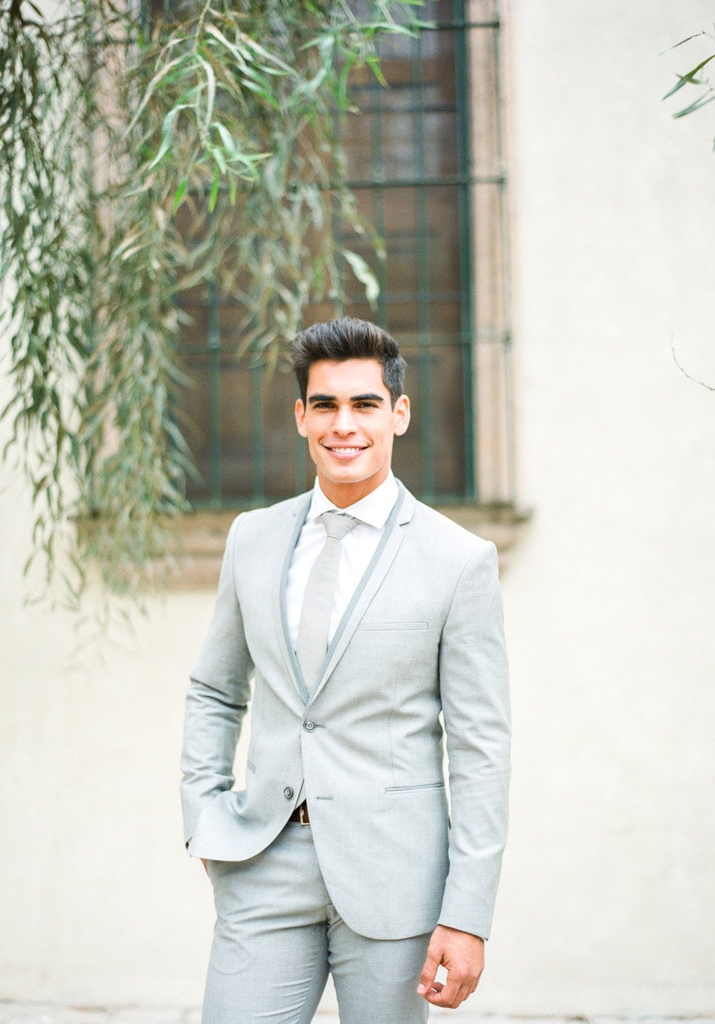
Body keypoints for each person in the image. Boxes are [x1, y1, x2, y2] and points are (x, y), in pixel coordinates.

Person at [180, 316, 510, 1024]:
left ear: (399, 413)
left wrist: (468, 913)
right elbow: (215, 688)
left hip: (395, 879)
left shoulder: (459, 562)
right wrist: (203, 815)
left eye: (364, 404)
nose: (344, 425)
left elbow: (482, 749)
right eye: (325, 404)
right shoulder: (253, 539)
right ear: (301, 416)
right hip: (262, 860)